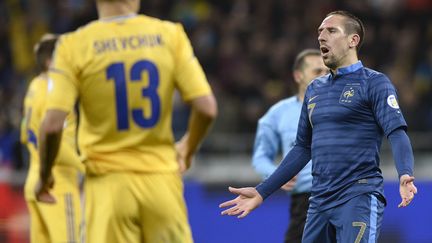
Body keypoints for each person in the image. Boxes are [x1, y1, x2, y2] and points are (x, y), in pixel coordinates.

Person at [220, 10, 417, 243]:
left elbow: (396, 131)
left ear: (353, 40)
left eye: (331, 30)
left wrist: (405, 173)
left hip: (358, 195)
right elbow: (303, 148)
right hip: (319, 201)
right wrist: (263, 191)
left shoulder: (375, 83)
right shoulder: (315, 89)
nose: (322, 36)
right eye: (320, 31)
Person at [36, 0, 218, 242]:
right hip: (161, 183)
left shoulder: (73, 46)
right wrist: (188, 147)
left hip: (107, 187)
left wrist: (44, 175)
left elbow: (51, 126)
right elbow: (206, 109)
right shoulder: (169, 35)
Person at [252, 49, 327, 243]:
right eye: (317, 72)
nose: (324, 76)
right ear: (298, 76)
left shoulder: (345, 107)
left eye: (327, 72)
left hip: (342, 194)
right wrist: (277, 174)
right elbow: (260, 156)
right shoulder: (278, 114)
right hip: (304, 201)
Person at [21, 33, 84, 243]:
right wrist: (88, 168)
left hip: (33, 182)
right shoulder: (55, 92)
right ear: (51, 61)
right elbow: (53, 139)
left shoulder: (34, 87)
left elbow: (25, 134)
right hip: (57, 185)